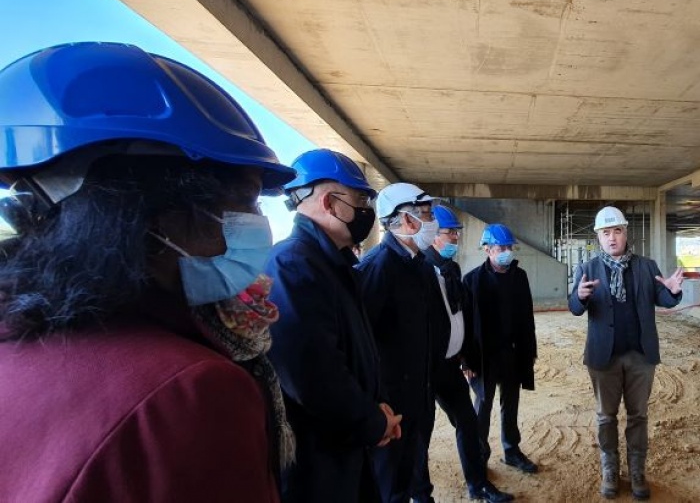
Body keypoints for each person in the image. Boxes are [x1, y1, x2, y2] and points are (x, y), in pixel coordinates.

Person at [0, 42, 297, 501]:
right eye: (245, 202)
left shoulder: (20, 344)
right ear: (154, 215)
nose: (257, 226)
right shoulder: (188, 390)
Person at [265, 148, 402, 502]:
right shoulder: (293, 265)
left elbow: (357, 350)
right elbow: (312, 375)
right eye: (360, 199)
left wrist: (378, 406)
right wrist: (372, 422)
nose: (366, 211)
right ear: (329, 202)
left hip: (348, 442)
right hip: (318, 457)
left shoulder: (334, 265)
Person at [568, 206, 683, 500]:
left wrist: (673, 290)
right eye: (606, 233)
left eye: (616, 231)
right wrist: (579, 297)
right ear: (598, 237)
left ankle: (636, 472)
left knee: (638, 416)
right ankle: (610, 469)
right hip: (603, 358)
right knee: (606, 417)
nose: (612, 238)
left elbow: (665, 298)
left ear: (625, 233)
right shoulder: (588, 269)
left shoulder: (646, 267)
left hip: (640, 357)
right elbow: (574, 307)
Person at [413, 205, 514, 502]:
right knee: (420, 435)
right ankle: (421, 496)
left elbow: (461, 317)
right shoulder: (417, 271)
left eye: (457, 232)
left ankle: (478, 484)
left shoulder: (452, 268)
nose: (456, 238)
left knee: (467, 422)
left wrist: (466, 357)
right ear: (432, 236)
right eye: (450, 233)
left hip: (448, 366)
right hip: (421, 370)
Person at [357, 183, 450, 503]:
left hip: (420, 397)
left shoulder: (421, 265)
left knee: (416, 469)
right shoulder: (377, 268)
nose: (432, 220)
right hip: (391, 405)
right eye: (426, 213)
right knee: (391, 485)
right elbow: (360, 343)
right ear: (407, 220)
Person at [463, 224, 540, 475]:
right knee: (483, 406)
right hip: (484, 356)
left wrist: (530, 351)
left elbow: (527, 316)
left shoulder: (520, 276)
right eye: (501, 247)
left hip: (513, 353)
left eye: (509, 247)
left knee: (511, 403)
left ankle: (511, 451)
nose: (506, 252)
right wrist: (466, 361)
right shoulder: (472, 280)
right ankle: (479, 456)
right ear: (487, 249)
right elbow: (465, 323)